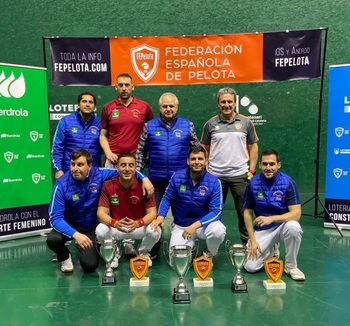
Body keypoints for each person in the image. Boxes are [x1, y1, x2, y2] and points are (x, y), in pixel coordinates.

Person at [46, 149, 153, 274]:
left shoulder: (99, 174)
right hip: (71, 224)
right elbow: (55, 218)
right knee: (53, 239)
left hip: (91, 227)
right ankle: (65, 256)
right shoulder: (61, 185)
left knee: (89, 266)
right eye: (73, 164)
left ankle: (91, 247)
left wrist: (144, 178)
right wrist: (76, 234)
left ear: (90, 166)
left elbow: (124, 171)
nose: (75, 168)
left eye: (80, 165)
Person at [136, 92, 201, 258]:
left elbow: (197, 151)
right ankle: (153, 250)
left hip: (181, 182)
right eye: (165, 106)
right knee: (155, 217)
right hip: (156, 182)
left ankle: (187, 245)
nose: (168, 109)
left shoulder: (188, 125)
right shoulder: (149, 126)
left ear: (176, 107)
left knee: (183, 215)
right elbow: (139, 152)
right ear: (160, 108)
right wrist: (141, 176)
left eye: (171, 106)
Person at [100, 73, 154, 257]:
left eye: (127, 85)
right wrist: (108, 152)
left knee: (132, 200)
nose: (123, 88)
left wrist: (144, 161)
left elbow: (150, 134)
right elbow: (103, 135)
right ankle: (111, 244)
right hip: (112, 161)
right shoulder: (108, 108)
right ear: (116, 87)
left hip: (135, 162)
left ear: (133, 87)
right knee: (113, 197)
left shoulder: (144, 107)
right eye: (120, 85)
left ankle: (129, 242)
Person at [201, 87, 259, 245]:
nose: (226, 104)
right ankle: (211, 245)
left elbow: (253, 146)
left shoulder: (246, 122)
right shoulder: (210, 124)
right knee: (213, 212)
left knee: (244, 212)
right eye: (223, 102)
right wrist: (206, 168)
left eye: (229, 102)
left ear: (235, 103)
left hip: (240, 175)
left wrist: (252, 169)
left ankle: (248, 243)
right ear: (218, 104)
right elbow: (204, 148)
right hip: (215, 176)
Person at [151, 146, 226, 260]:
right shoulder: (177, 177)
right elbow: (167, 198)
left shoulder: (214, 182)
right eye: (193, 159)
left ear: (206, 161)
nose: (197, 162)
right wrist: (161, 216)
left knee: (218, 231)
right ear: (188, 161)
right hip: (182, 226)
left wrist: (195, 226)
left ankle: (210, 252)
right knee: (177, 262)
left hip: (203, 226)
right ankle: (191, 248)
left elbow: (216, 212)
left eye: (200, 159)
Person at [243, 149, 305, 281]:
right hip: (262, 230)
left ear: (279, 165)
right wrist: (252, 239)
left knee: (294, 227)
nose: (268, 168)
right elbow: (247, 212)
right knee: (250, 267)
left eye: (272, 164)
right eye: (265, 164)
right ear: (260, 165)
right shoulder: (253, 183)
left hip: (282, 226)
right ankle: (271, 250)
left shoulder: (288, 182)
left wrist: (272, 218)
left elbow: (296, 214)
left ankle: (291, 266)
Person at [95, 153, 161, 268]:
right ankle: (112, 253)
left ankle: (143, 252)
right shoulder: (108, 185)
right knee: (100, 230)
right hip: (117, 226)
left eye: (131, 165)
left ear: (136, 168)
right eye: (123, 165)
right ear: (117, 168)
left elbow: (152, 213)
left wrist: (138, 223)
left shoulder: (144, 186)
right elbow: (100, 213)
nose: (127, 169)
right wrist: (114, 223)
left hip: (138, 226)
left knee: (155, 230)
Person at [51, 92, 102, 180]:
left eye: (91, 102)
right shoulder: (66, 121)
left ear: (94, 106)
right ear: (78, 104)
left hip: (93, 174)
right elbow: (57, 149)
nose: (87, 104)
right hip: (69, 172)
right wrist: (58, 169)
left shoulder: (100, 123)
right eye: (84, 101)